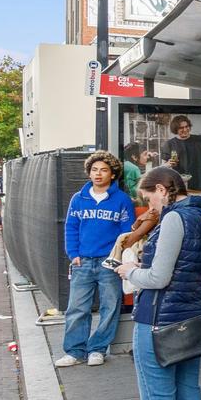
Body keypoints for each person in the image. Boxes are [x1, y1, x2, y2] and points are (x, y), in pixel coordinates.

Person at [114, 166, 201, 400]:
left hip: (157, 321)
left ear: (164, 190)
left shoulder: (173, 220)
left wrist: (129, 271)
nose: (149, 205)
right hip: (192, 319)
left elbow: (157, 277)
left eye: (149, 196)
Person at [56, 151, 134, 368]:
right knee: (77, 308)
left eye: (104, 170)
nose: (98, 174)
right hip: (83, 262)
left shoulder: (122, 200)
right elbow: (71, 228)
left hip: (109, 263)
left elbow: (127, 233)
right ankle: (74, 351)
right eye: (94, 170)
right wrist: (74, 255)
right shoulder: (78, 199)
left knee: (110, 306)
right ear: (89, 173)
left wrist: (117, 258)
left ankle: (98, 349)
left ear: (112, 174)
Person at [162, 115, 201, 196]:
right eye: (181, 128)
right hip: (178, 184)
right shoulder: (169, 144)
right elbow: (163, 166)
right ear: (175, 129)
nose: (185, 129)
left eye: (187, 126)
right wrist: (168, 164)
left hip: (200, 182)